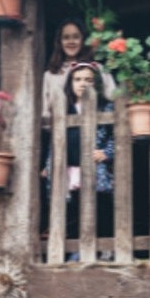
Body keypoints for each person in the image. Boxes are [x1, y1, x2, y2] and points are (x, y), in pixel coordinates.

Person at [45, 62, 115, 255]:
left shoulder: (105, 107)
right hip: (70, 167)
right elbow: (54, 141)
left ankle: (105, 251)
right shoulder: (65, 107)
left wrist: (107, 153)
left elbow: (117, 136)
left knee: (99, 208)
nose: (82, 83)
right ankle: (77, 252)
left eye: (88, 80)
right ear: (70, 83)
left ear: (97, 83)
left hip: (94, 166)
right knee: (74, 211)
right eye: (78, 79)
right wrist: (48, 164)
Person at [41, 18, 115, 122]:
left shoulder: (98, 69)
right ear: (59, 42)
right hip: (60, 133)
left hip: (96, 130)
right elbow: (44, 112)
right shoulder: (50, 75)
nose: (71, 41)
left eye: (76, 37)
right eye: (66, 37)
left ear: (83, 40)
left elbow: (113, 98)